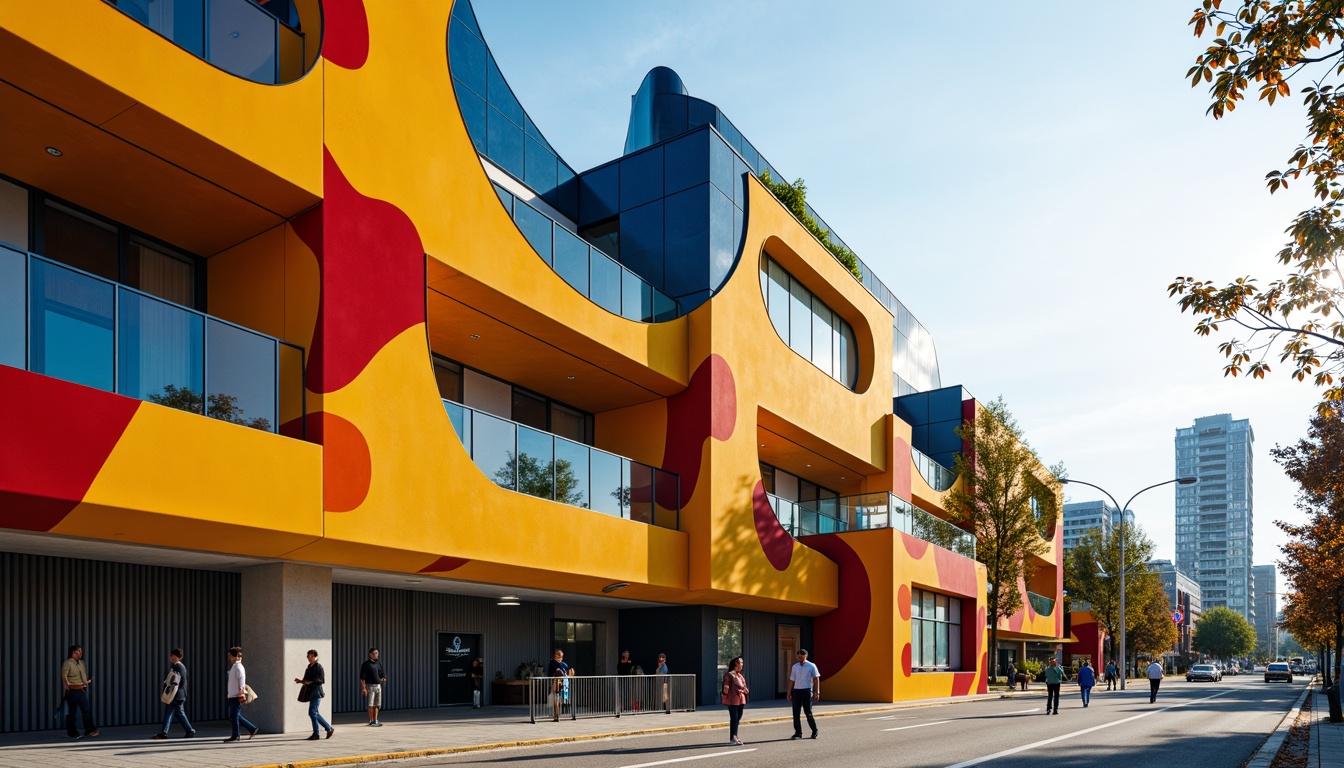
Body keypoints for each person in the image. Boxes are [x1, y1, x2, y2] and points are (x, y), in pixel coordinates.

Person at [153, 648, 195, 739]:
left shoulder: (177, 666)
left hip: (175, 695)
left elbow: (173, 681)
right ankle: (190, 730)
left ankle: (164, 732)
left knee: (169, 712)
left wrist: (166, 690)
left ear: (176, 657)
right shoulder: (181, 666)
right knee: (179, 712)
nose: (171, 657)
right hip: (180, 694)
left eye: (172, 655)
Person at [61, 644, 99, 740]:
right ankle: (72, 732)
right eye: (79, 651)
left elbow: (83, 676)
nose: (81, 652)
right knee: (72, 712)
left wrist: (87, 682)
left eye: (81, 651)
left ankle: (89, 730)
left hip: (81, 690)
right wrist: (67, 688)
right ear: (73, 652)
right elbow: (64, 677)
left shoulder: (81, 663)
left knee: (86, 709)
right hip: (72, 690)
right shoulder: (68, 663)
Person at [295, 649, 334, 740]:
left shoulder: (318, 667)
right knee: (314, 713)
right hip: (310, 692)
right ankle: (325, 730)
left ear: (315, 657)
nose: (309, 658)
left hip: (316, 692)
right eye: (308, 656)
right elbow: (306, 679)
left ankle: (321, 731)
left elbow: (321, 680)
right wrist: (300, 681)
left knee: (313, 713)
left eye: (311, 656)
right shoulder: (309, 667)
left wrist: (311, 682)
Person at [223, 646, 258, 742]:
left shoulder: (238, 667)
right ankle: (252, 729)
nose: (229, 657)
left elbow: (242, 679)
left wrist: (241, 692)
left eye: (230, 656)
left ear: (235, 656)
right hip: (232, 695)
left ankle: (236, 735)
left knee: (234, 716)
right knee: (235, 716)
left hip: (236, 695)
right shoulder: (234, 667)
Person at [786, 649, 821, 739]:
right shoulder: (795, 666)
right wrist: (789, 692)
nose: (801, 658)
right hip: (797, 690)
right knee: (796, 713)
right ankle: (798, 732)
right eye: (799, 656)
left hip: (807, 690)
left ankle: (814, 730)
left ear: (806, 656)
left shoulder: (811, 666)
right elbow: (792, 680)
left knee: (808, 712)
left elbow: (816, 679)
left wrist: (817, 692)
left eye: (802, 656)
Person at [722, 656, 749, 746]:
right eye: (740, 663)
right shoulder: (729, 674)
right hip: (732, 699)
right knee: (734, 718)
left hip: (741, 699)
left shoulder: (740, 675)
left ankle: (735, 736)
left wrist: (745, 690)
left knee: (738, 718)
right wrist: (725, 694)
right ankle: (733, 738)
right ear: (736, 664)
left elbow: (743, 686)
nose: (742, 665)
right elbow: (726, 686)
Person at [360, 648, 387, 726]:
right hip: (370, 686)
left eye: (377, 653)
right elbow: (362, 678)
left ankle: (376, 719)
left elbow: (382, 674)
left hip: (378, 686)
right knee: (371, 703)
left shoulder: (379, 664)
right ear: (370, 654)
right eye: (374, 653)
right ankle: (371, 720)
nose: (376, 655)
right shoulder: (366, 664)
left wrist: (384, 679)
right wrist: (363, 688)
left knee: (377, 704)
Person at [546, 649, 570, 722]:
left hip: (564, 684)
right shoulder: (552, 662)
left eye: (560, 655)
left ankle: (559, 714)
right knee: (556, 698)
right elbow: (550, 673)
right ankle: (556, 714)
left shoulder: (564, 664)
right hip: (555, 683)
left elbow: (568, 673)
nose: (558, 656)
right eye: (557, 655)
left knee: (561, 699)